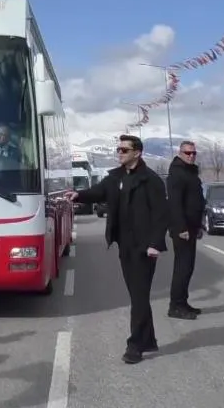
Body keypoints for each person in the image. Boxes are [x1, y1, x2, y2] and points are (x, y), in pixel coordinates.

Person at [63, 135, 168, 364]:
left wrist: (155, 244)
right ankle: (148, 339)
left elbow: (161, 215)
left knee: (139, 296)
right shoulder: (115, 177)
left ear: (137, 153)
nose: (119, 153)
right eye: (118, 149)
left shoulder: (151, 181)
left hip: (144, 247)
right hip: (125, 245)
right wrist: (79, 194)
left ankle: (135, 345)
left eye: (124, 150)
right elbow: (98, 191)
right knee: (137, 295)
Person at [165, 140, 205, 319]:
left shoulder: (191, 173)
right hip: (182, 229)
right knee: (182, 267)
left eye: (194, 153)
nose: (191, 156)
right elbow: (174, 203)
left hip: (191, 226)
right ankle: (175, 306)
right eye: (187, 153)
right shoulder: (177, 173)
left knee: (188, 267)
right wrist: (181, 227)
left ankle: (183, 302)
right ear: (180, 153)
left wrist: (199, 226)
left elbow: (196, 201)